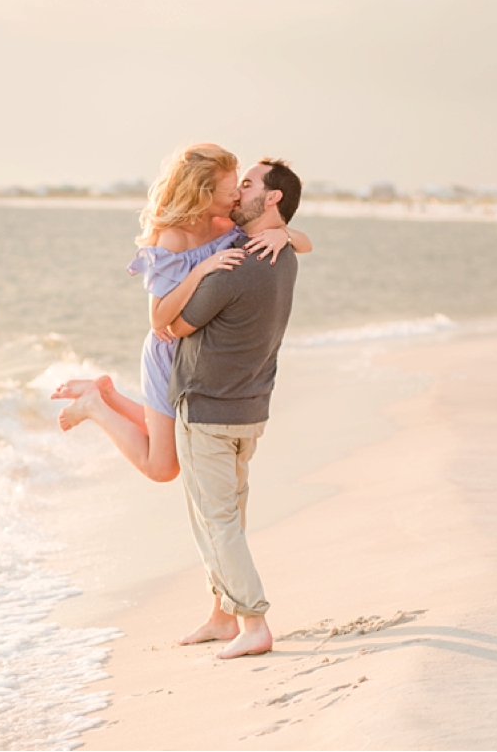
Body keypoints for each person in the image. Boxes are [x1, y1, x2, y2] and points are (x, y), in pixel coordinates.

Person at [51, 144, 310, 483]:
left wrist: (282, 232)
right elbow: (158, 319)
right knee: (162, 468)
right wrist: (201, 270)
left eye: (239, 187)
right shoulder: (171, 238)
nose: (236, 197)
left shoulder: (228, 222)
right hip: (167, 348)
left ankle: (107, 394)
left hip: (198, 350)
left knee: (172, 436)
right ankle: (94, 407)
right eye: (231, 190)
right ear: (205, 193)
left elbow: (306, 244)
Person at [165, 157, 304, 658]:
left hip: (208, 410)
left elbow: (175, 325)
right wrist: (288, 235)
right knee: (228, 517)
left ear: (272, 199)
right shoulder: (283, 255)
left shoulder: (237, 263)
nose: (238, 191)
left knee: (216, 520)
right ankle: (223, 616)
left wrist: (193, 273)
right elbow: (297, 238)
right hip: (249, 411)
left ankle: (253, 621)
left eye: (248, 184)